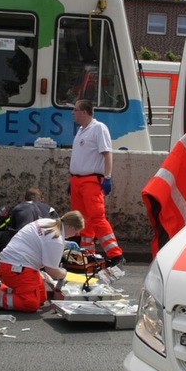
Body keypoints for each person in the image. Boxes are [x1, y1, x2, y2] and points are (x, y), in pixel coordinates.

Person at [0, 211, 86, 312]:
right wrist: (64, 274)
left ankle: (0, 288)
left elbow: (44, 241)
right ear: (71, 226)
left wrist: (65, 244)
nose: (76, 235)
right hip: (17, 268)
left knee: (42, 297)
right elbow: (51, 270)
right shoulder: (56, 239)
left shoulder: (47, 222)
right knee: (31, 304)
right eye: (77, 231)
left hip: (13, 264)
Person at [70, 98, 125, 267]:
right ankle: (88, 254)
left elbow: (107, 153)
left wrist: (107, 177)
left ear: (84, 112)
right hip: (78, 180)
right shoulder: (81, 130)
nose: (73, 113)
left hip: (91, 181)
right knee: (82, 220)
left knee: (96, 217)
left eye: (75, 110)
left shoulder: (98, 128)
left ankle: (115, 255)